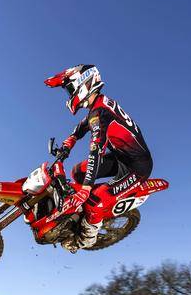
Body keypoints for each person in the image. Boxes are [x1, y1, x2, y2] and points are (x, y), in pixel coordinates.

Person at [44, 64, 153, 252]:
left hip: (137, 167)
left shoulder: (100, 113)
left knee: (96, 200)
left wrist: (86, 189)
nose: (69, 95)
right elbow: (82, 126)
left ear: (83, 84)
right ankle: (82, 212)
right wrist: (68, 144)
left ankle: (85, 239)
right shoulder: (99, 105)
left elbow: (96, 151)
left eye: (70, 89)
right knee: (77, 172)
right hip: (121, 158)